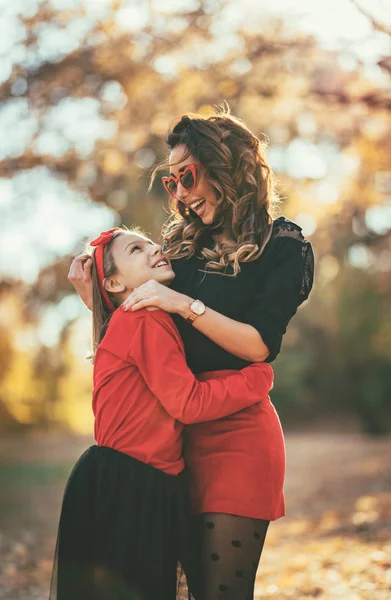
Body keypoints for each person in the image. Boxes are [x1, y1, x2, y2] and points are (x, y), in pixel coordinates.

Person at [69, 107, 314, 599]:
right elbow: (136, 340)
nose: (178, 194)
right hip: (170, 450)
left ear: (227, 168)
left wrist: (184, 303)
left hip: (237, 434)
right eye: (170, 182)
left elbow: (259, 345)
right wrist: (97, 296)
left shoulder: (281, 244)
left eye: (187, 177)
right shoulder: (179, 250)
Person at [52, 226, 275, 600]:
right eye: (136, 249)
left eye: (151, 243)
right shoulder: (143, 318)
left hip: (135, 478)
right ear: (115, 283)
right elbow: (187, 403)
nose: (155, 248)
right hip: (133, 483)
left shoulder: (134, 317)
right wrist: (256, 379)